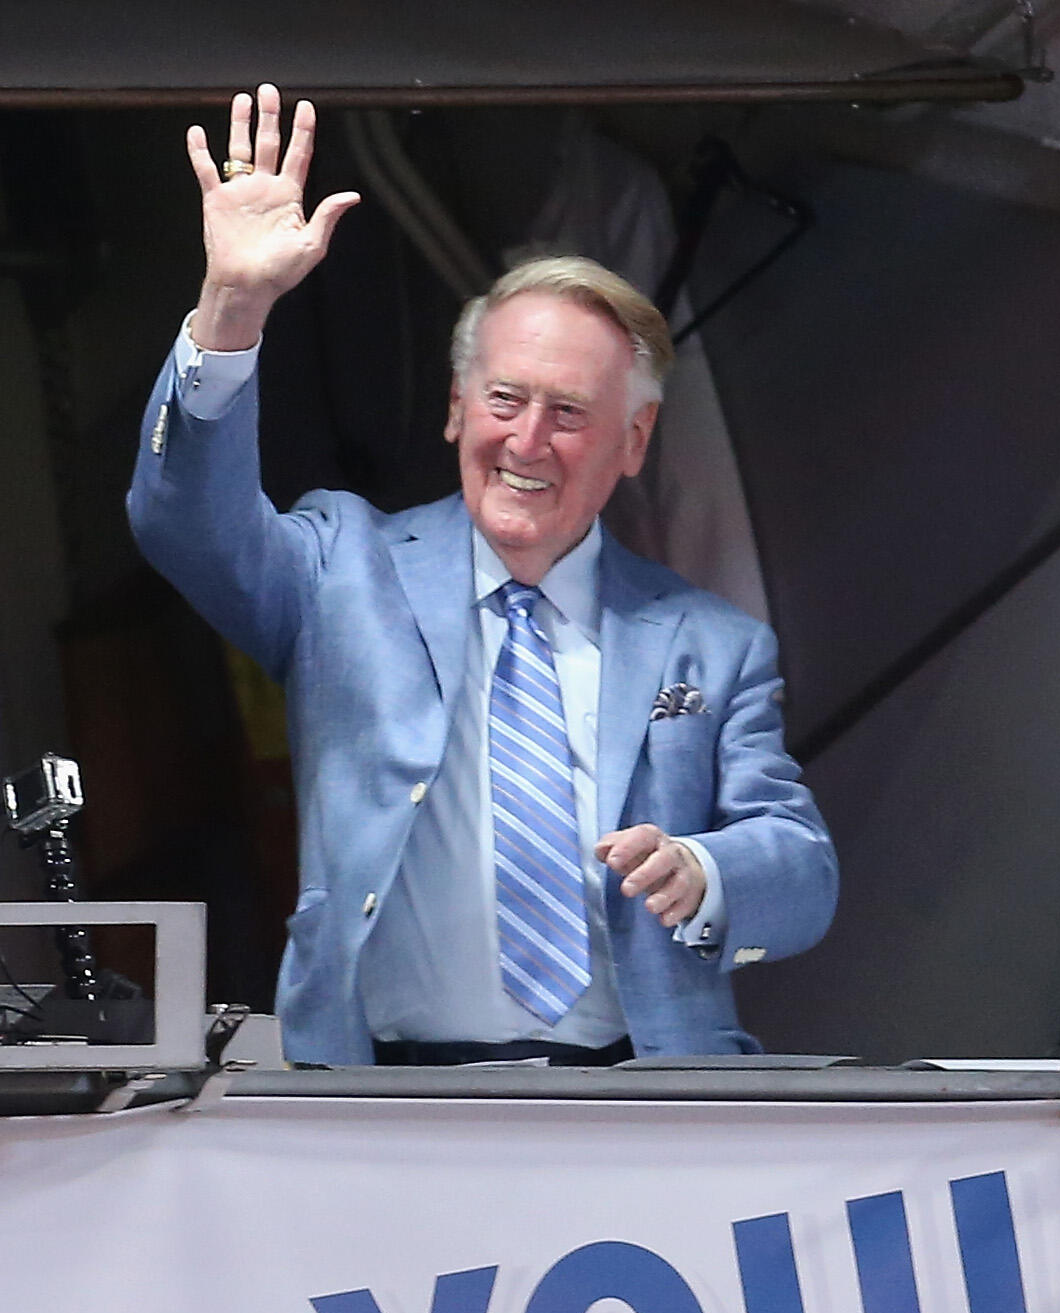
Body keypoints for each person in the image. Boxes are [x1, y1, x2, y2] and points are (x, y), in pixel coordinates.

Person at [127, 87, 836, 1065]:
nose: (528, 441)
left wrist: (704, 866)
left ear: (633, 440)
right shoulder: (342, 564)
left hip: (646, 1112)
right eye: (504, 399)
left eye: (570, 412)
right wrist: (232, 312)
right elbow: (184, 525)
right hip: (389, 1110)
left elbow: (803, 876)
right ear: (458, 409)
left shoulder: (707, 641)